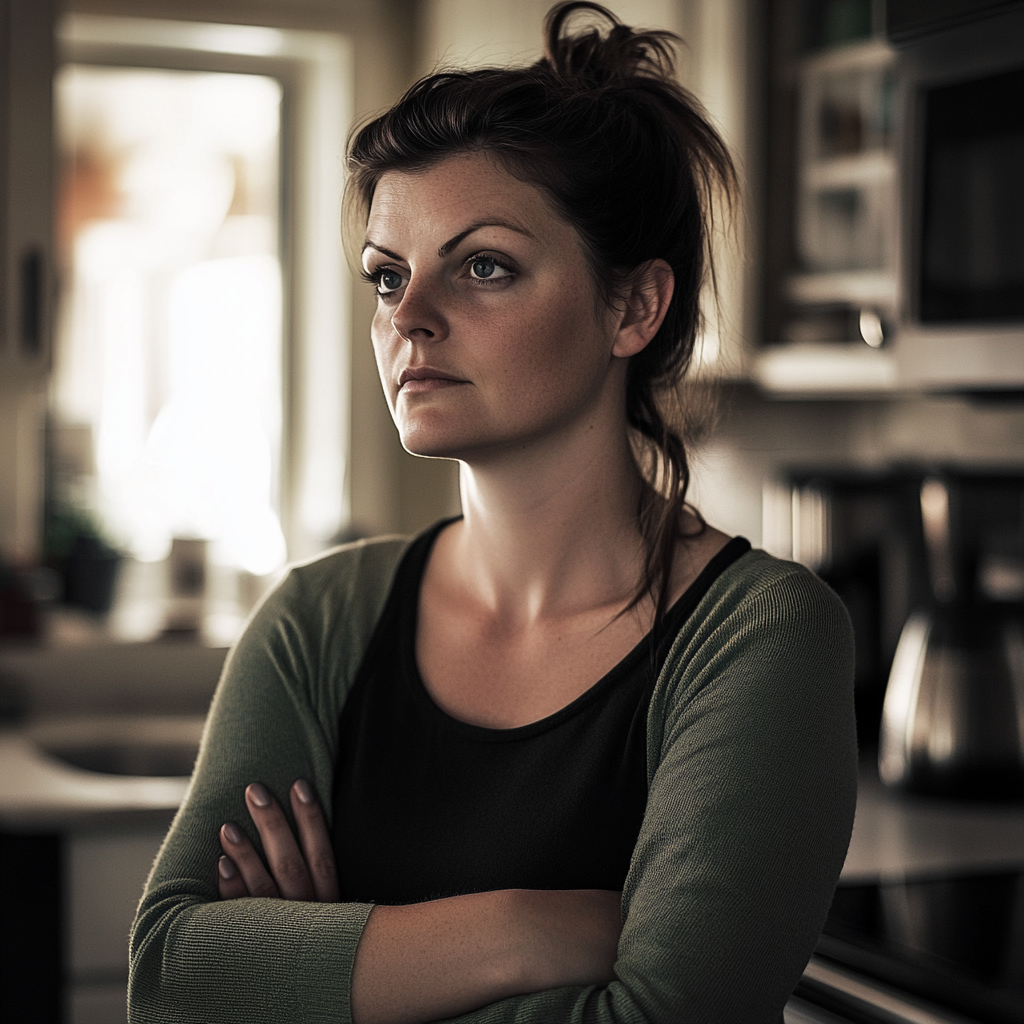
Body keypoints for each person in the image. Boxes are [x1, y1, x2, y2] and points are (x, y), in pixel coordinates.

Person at [128, 4, 858, 1022]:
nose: (408, 316)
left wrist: (333, 968)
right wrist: (532, 929)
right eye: (389, 274)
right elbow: (170, 975)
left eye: (482, 266)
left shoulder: (762, 638)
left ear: (632, 308)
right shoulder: (316, 619)